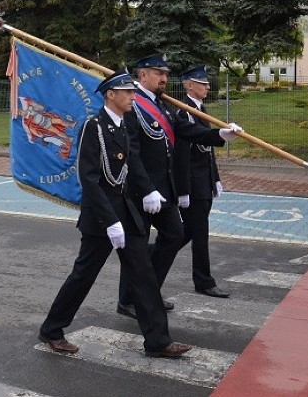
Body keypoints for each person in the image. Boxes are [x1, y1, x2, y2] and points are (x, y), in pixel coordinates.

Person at [39, 68, 192, 358]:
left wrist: (148, 191)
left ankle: (158, 341)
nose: (133, 96)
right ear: (111, 94)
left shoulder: (122, 125)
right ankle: (52, 329)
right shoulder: (93, 126)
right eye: (128, 92)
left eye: (134, 92)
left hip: (126, 211)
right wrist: (110, 222)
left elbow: (131, 164)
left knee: (143, 274)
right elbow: (89, 178)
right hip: (101, 217)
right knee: (84, 274)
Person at [116, 54, 242, 319]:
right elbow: (132, 153)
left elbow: (185, 131)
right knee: (136, 249)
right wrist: (147, 188)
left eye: (165, 73)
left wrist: (219, 134)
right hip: (140, 192)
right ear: (142, 76)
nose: (164, 78)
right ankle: (128, 300)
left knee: (174, 235)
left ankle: (147, 291)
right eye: (157, 73)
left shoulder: (162, 105)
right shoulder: (133, 105)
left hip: (164, 191)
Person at [174, 67, 238, 298]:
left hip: (204, 182)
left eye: (207, 83)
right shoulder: (183, 112)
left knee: (188, 232)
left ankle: (153, 255)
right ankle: (204, 281)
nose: (207, 86)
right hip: (193, 185)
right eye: (202, 83)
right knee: (199, 233)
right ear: (189, 85)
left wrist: (216, 179)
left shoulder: (201, 109)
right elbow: (181, 154)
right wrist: (183, 190)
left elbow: (206, 150)